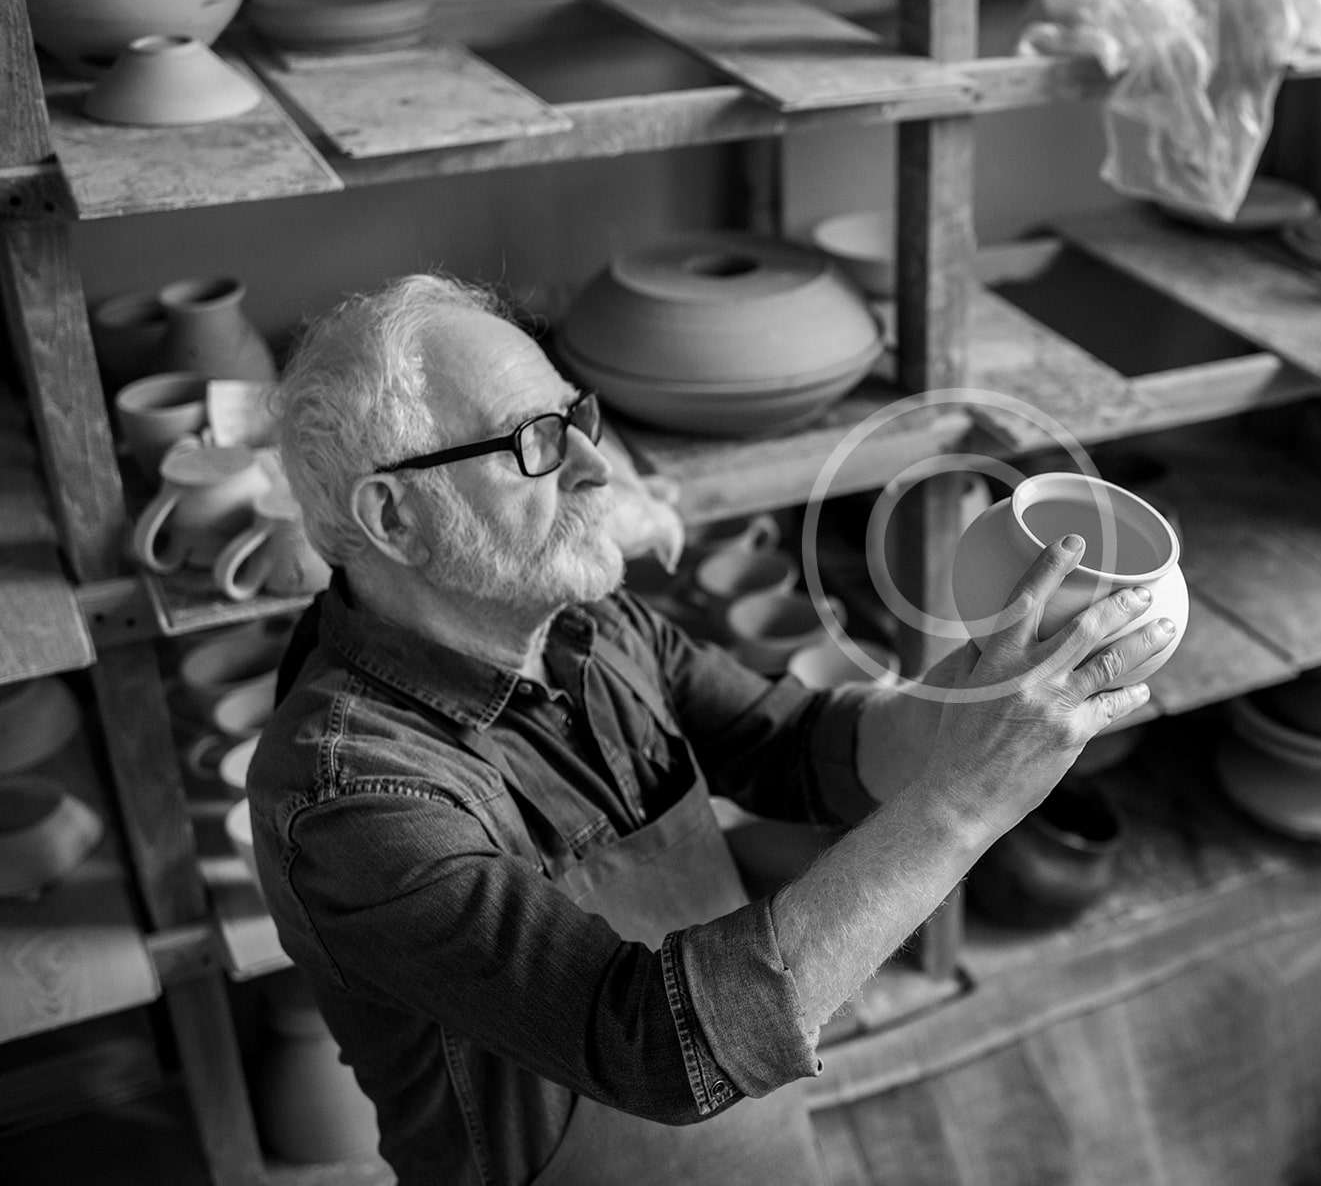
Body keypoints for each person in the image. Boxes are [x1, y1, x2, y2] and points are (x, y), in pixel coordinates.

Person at [252, 275, 1172, 1186]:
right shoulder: (351, 798)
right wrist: (967, 802)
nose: (596, 468)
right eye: (534, 443)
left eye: (576, 417)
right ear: (395, 517)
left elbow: (797, 747)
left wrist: (985, 693)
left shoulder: (588, 627)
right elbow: (656, 1048)